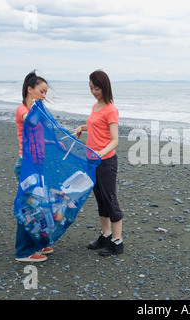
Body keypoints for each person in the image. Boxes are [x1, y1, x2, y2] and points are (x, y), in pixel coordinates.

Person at [74, 70, 124, 256]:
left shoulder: (111, 109)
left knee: (110, 199)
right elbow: (96, 126)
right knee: (100, 199)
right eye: (91, 88)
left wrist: (101, 152)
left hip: (106, 162)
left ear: (105, 87)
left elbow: (114, 139)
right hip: (92, 162)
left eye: (97, 88)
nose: (94, 91)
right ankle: (106, 235)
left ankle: (117, 242)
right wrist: (82, 127)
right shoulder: (95, 106)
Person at [14, 70, 53, 262]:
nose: (44, 96)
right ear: (30, 89)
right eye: (42, 91)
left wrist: (56, 143)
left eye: (46, 92)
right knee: (27, 208)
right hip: (26, 167)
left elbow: (39, 137)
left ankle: (38, 243)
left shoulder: (35, 110)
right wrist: (35, 108)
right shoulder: (23, 110)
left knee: (38, 206)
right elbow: (28, 122)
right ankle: (23, 252)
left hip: (37, 164)